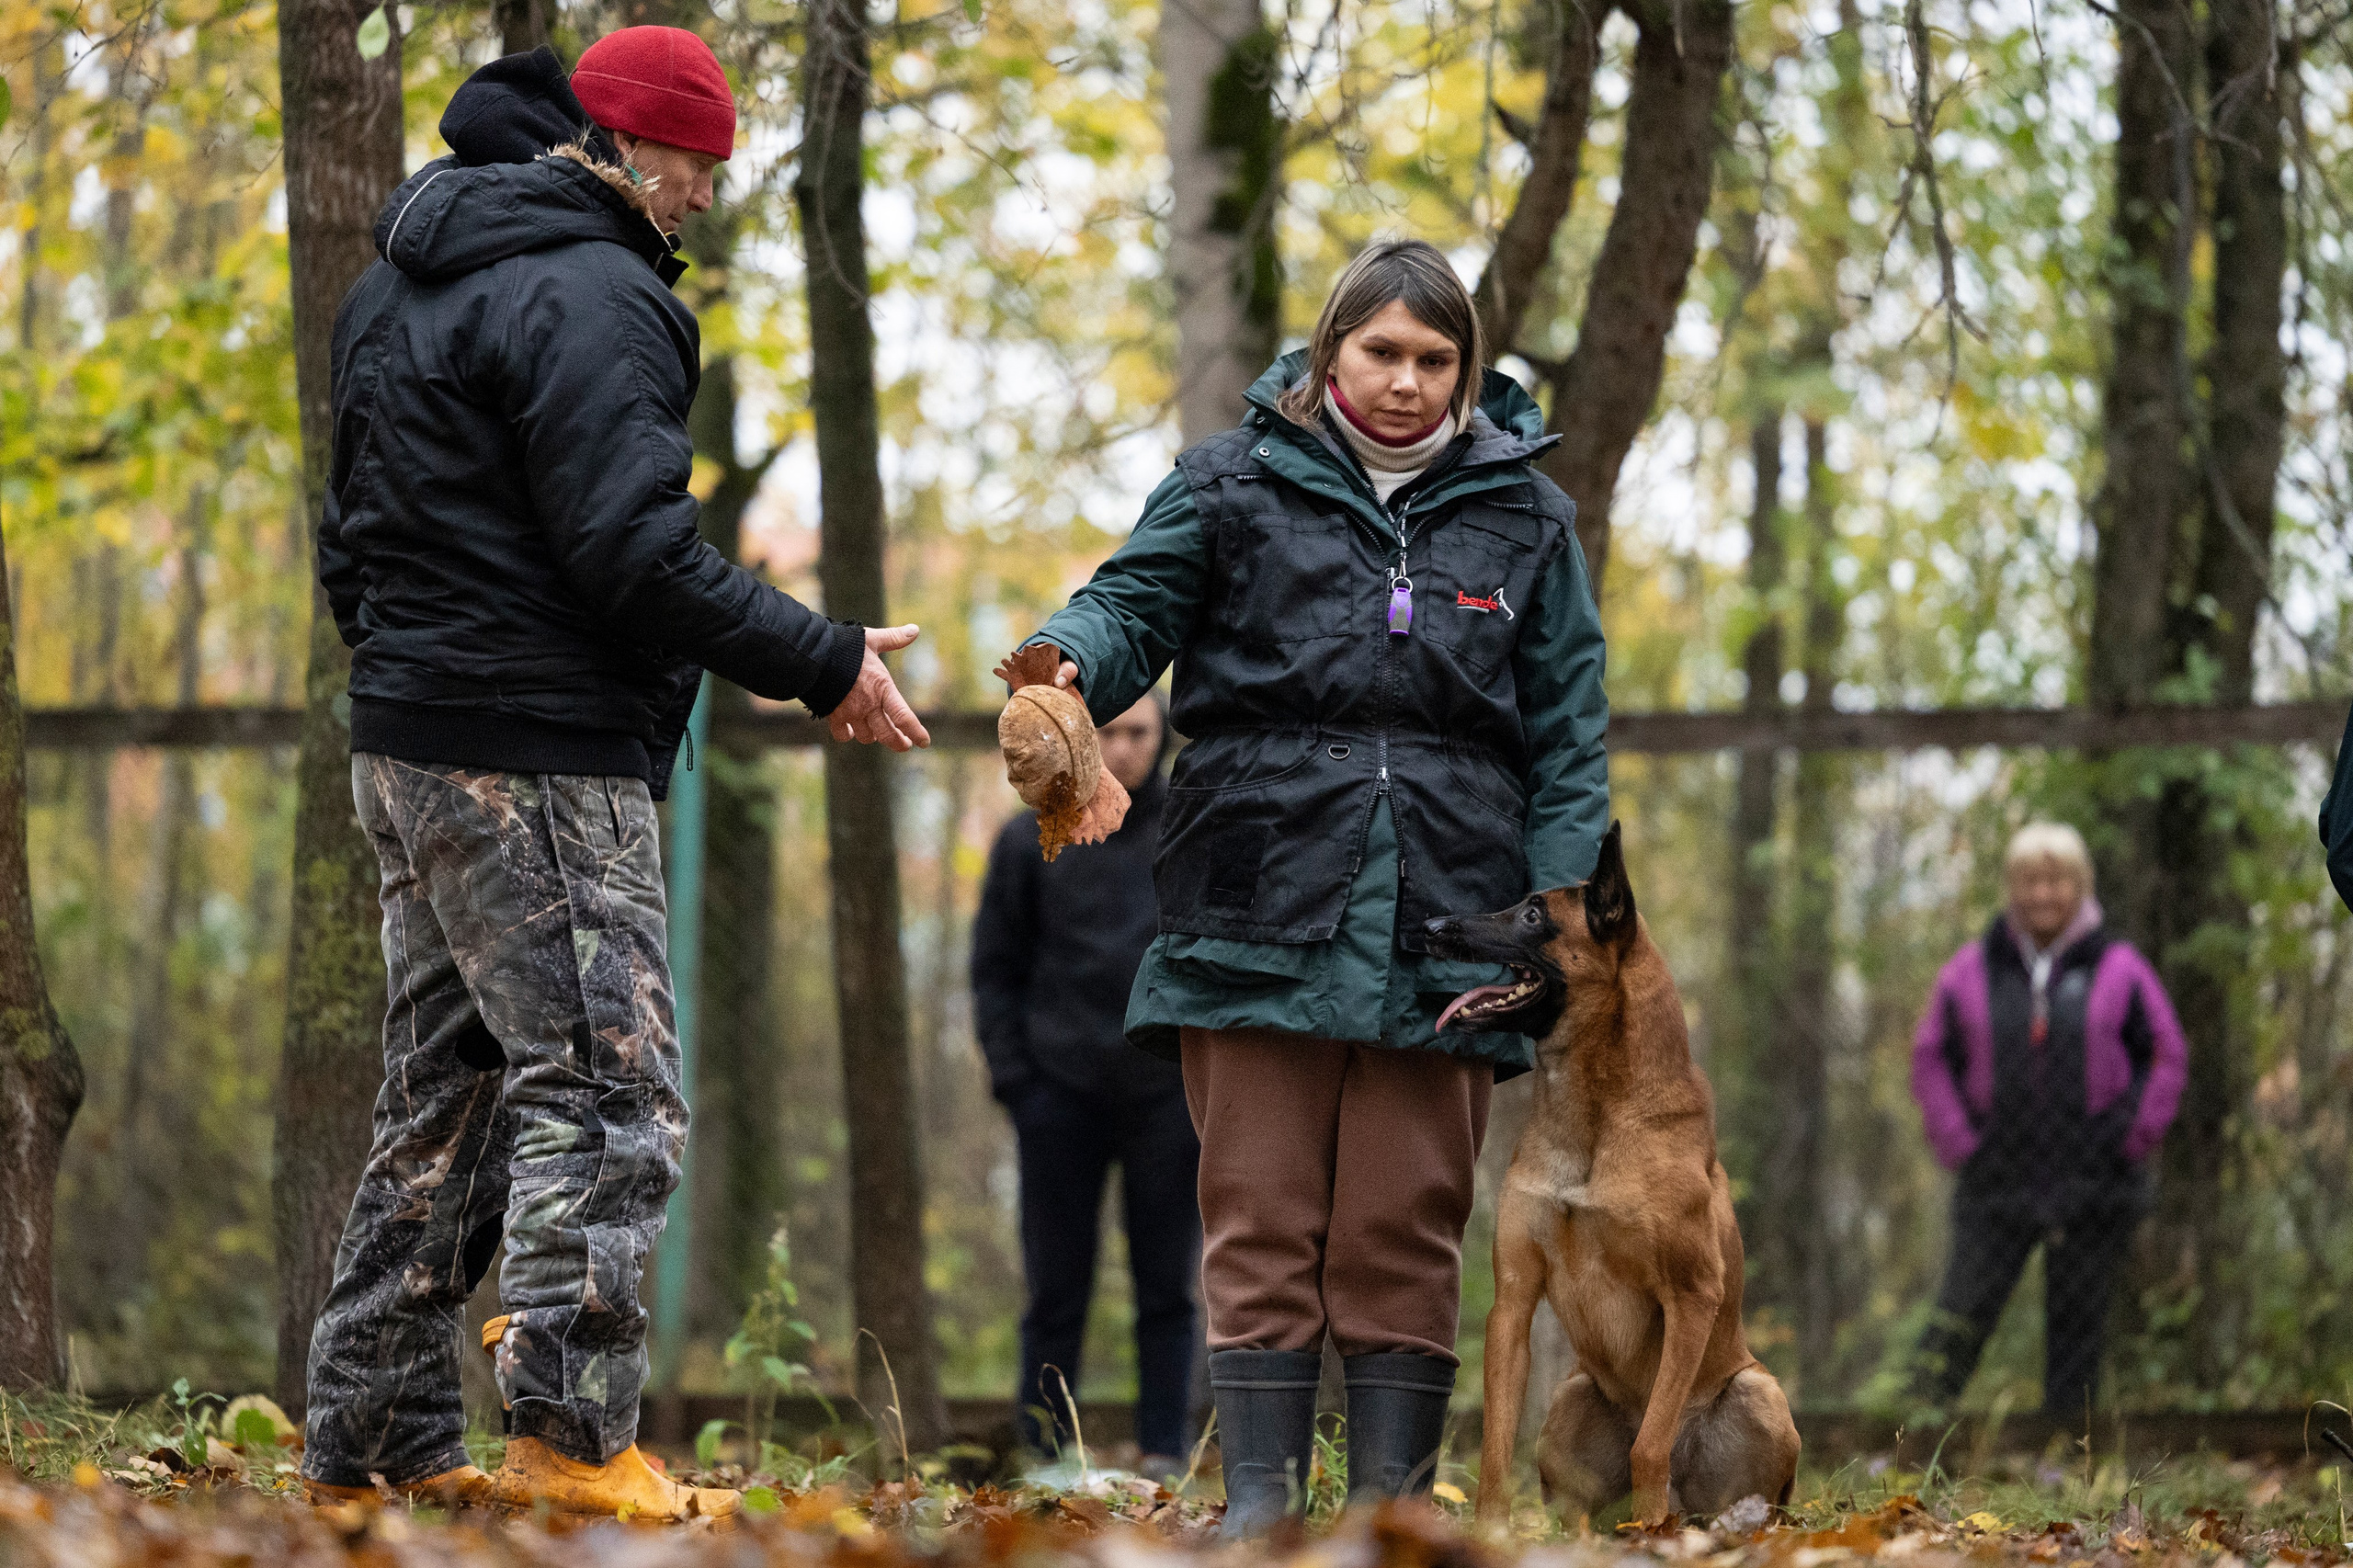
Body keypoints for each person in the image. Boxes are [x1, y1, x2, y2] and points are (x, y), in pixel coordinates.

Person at [298, 34, 928, 1520]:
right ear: (624, 149)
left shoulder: (392, 284)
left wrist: (414, 682)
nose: (709, 189)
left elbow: (347, 538)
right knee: (607, 1086)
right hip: (536, 747)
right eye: (697, 161)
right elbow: (634, 555)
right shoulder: (601, 293)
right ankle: (572, 1442)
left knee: (443, 1096)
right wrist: (824, 656)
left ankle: (370, 1442)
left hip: (407, 736)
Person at [1006, 239, 1609, 1534]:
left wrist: (1560, 916)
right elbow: (1129, 607)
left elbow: (1569, 737)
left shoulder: (1526, 517)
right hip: (1254, 892)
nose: (1404, 382)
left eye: (1433, 360)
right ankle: (1262, 1505)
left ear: (1465, 370)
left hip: (1454, 912)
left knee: (1406, 1221)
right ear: (1331, 350)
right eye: (1380, 351)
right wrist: (1063, 669)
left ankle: (1393, 1512)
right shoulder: (1228, 485)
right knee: (1261, 1213)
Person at [971, 694, 1202, 1478]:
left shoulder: (1189, 836)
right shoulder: (1028, 840)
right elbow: (995, 972)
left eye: (1138, 732)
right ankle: (1044, 1458)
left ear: (1162, 735)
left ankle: (1165, 1454)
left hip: (1168, 1096)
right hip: (1058, 1096)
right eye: (1104, 732)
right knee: (1055, 1292)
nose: (1122, 748)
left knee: (1168, 1290)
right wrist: (1019, 1085)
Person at [1908, 822, 2188, 1422]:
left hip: (2094, 1180)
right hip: (1997, 1176)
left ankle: (2062, 1460)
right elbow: (1931, 1056)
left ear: (2079, 886)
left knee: (2077, 1330)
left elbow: (2165, 1054)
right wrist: (1961, 1141)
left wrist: (2129, 1134)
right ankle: (1904, 1442)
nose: (2042, 894)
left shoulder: (2121, 968)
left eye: (2056, 880)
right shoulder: (1969, 970)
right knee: (1959, 1315)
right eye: (2030, 881)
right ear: (2012, 888)